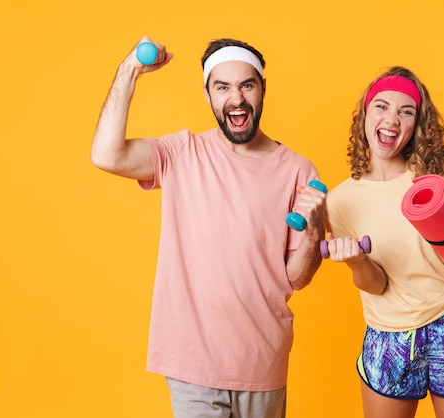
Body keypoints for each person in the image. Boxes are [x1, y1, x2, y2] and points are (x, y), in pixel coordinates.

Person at [90, 36, 326, 418]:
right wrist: (130, 69)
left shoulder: (298, 170)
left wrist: (315, 231)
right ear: (207, 94)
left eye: (246, 85)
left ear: (263, 88)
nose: (236, 98)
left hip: (263, 363)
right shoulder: (181, 153)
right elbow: (105, 154)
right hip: (192, 364)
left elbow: (297, 278)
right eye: (223, 87)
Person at [322, 66, 444, 418]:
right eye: (381, 107)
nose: (392, 119)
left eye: (406, 111)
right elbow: (376, 284)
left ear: (417, 123)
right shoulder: (341, 201)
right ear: (365, 116)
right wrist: (356, 261)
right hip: (390, 336)